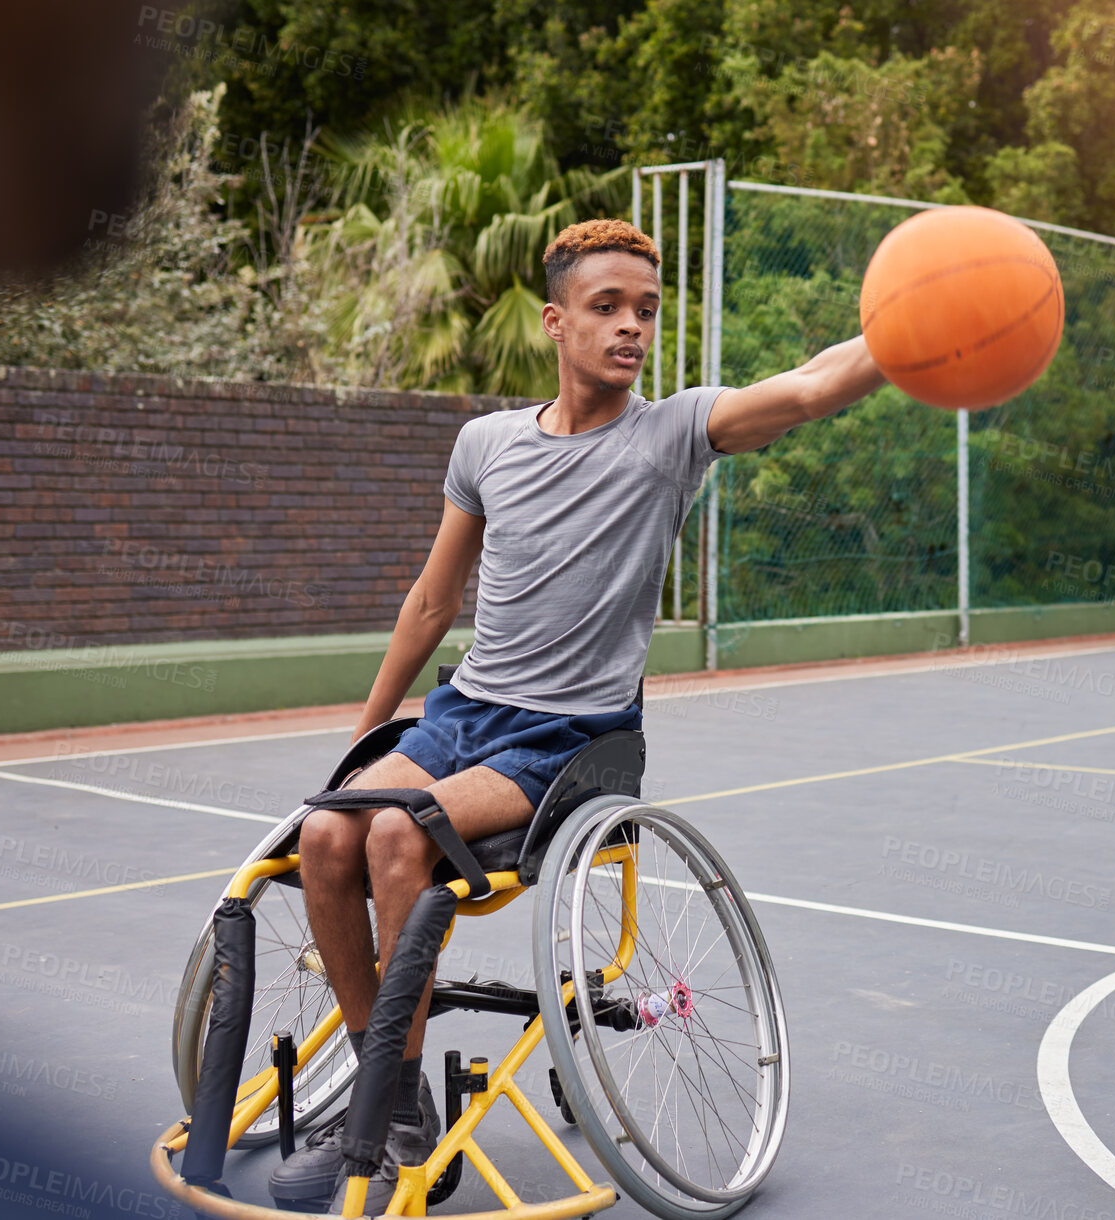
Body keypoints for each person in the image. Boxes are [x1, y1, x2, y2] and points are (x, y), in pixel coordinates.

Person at [270, 217, 887, 1213]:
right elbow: (431, 604)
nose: (631, 326)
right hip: (463, 713)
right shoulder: (488, 444)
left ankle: (384, 1116)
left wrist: (914, 331)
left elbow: (812, 384)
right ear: (556, 322)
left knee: (394, 834)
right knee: (326, 830)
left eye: (646, 308)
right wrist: (362, 736)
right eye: (607, 307)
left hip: (571, 742)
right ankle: (396, 1108)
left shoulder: (676, 431)